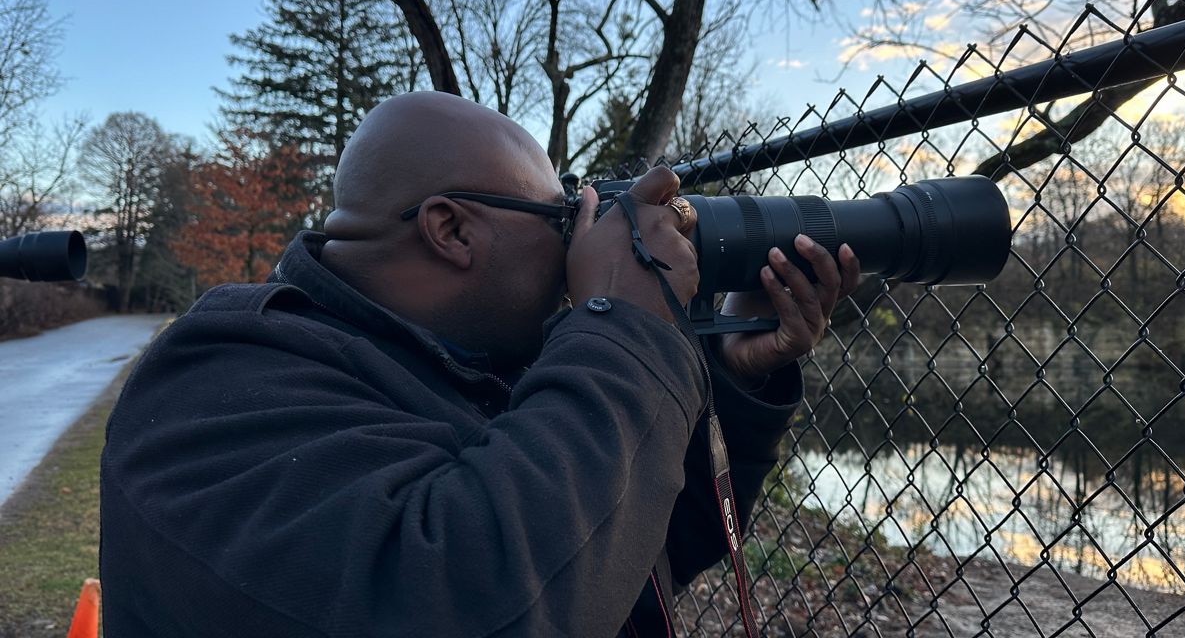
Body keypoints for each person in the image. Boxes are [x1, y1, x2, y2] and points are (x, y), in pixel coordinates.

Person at [99, 91, 860, 636]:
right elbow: (475, 601)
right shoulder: (219, 382)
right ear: (451, 230)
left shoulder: (472, 364)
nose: (578, 240)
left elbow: (625, 557)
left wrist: (732, 372)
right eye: (562, 214)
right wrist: (621, 323)